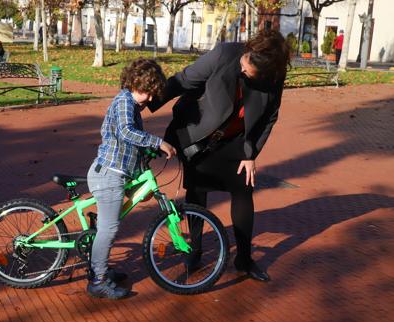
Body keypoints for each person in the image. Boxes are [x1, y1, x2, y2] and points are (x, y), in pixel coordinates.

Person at [149, 30, 290, 282]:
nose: (242, 69)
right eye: (244, 61)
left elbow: (270, 116)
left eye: (249, 70)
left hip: (236, 140)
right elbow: (184, 80)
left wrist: (251, 154)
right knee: (197, 190)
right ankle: (195, 251)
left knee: (244, 188)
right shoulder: (226, 54)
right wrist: (145, 100)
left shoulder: (275, 76)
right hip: (198, 134)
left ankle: (244, 260)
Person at [86, 58, 177, 299]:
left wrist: (149, 150)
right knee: (109, 228)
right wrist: (158, 141)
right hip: (109, 175)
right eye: (147, 92)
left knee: (108, 224)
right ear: (135, 83)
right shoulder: (124, 102)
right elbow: (127, 132)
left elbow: (129, 140)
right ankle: (98, 280)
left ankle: (99, 268)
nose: (149, 99)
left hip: (115, 172)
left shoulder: (132, 105)